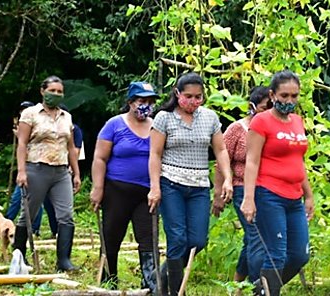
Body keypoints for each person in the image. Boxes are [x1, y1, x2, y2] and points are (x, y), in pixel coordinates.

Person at [148, 72, 233, 296]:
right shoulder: (164, 118)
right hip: (171, 183)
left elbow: (221, 149)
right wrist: (155, 187)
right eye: (188, 96)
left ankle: (163, 280)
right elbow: (155, 154)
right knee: (177, 238)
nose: (193, 101)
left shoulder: (210, 118)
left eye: (198, 97)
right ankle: (176, 291)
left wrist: (227, 179)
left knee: (197, 239)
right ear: (177, 94)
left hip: (198, 185)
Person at [240, 70, 315, 296]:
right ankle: (268, 293)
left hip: (294, 196)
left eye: (294, 96)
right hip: (268, 194)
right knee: (277, 252)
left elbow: (298, 161)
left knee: (300, 254)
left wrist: (309, 195)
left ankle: (260, 291)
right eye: (284, 96)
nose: (289, 101)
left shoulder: (297, 122)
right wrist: (249, 198)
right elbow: (251, 161)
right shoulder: (261, 121)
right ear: (272, 95)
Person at [90, 82, 158, 292]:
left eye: (149, 102)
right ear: (130, 102)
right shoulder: (114, 124)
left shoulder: (157, 126)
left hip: (146, 193)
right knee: (112, 236)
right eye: (141, 101)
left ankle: (150, 284)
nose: (145, 106)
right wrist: (98, 188)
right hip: (117, 190)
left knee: (148, 240)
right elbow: (100, 158)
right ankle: (109, 282)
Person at [12, 75, 82, 272]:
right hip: (36, 168)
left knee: (66, 215)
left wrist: (76, 173)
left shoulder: (66, 117)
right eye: (53, 91)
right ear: (43, 91)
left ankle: (64, 260)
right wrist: (22, 171)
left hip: (61, 171)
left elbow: (70, 148)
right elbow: (22, 143)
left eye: (60, 92)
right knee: (29, 214)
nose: (56, 95)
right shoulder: (30, 113)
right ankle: (19, 255)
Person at [213, 85, 272, 284]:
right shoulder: (237, 130)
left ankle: (238, 284)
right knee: (257, 237)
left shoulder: (275, 129)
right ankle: (257, 285)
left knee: (252, 239)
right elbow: (222, 162)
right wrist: (218, 193)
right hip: (241, 189)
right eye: (265, 106)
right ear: (252, 106)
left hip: (267, 190)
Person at [5, 101, 46, 236]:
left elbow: (34, 146)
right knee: (17, 197)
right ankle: (7, 223)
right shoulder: (22, 125)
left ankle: (34, 229)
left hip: (37, 166)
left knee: (35, 199)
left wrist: (20, 137)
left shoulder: (39, 125)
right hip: (25, 167)